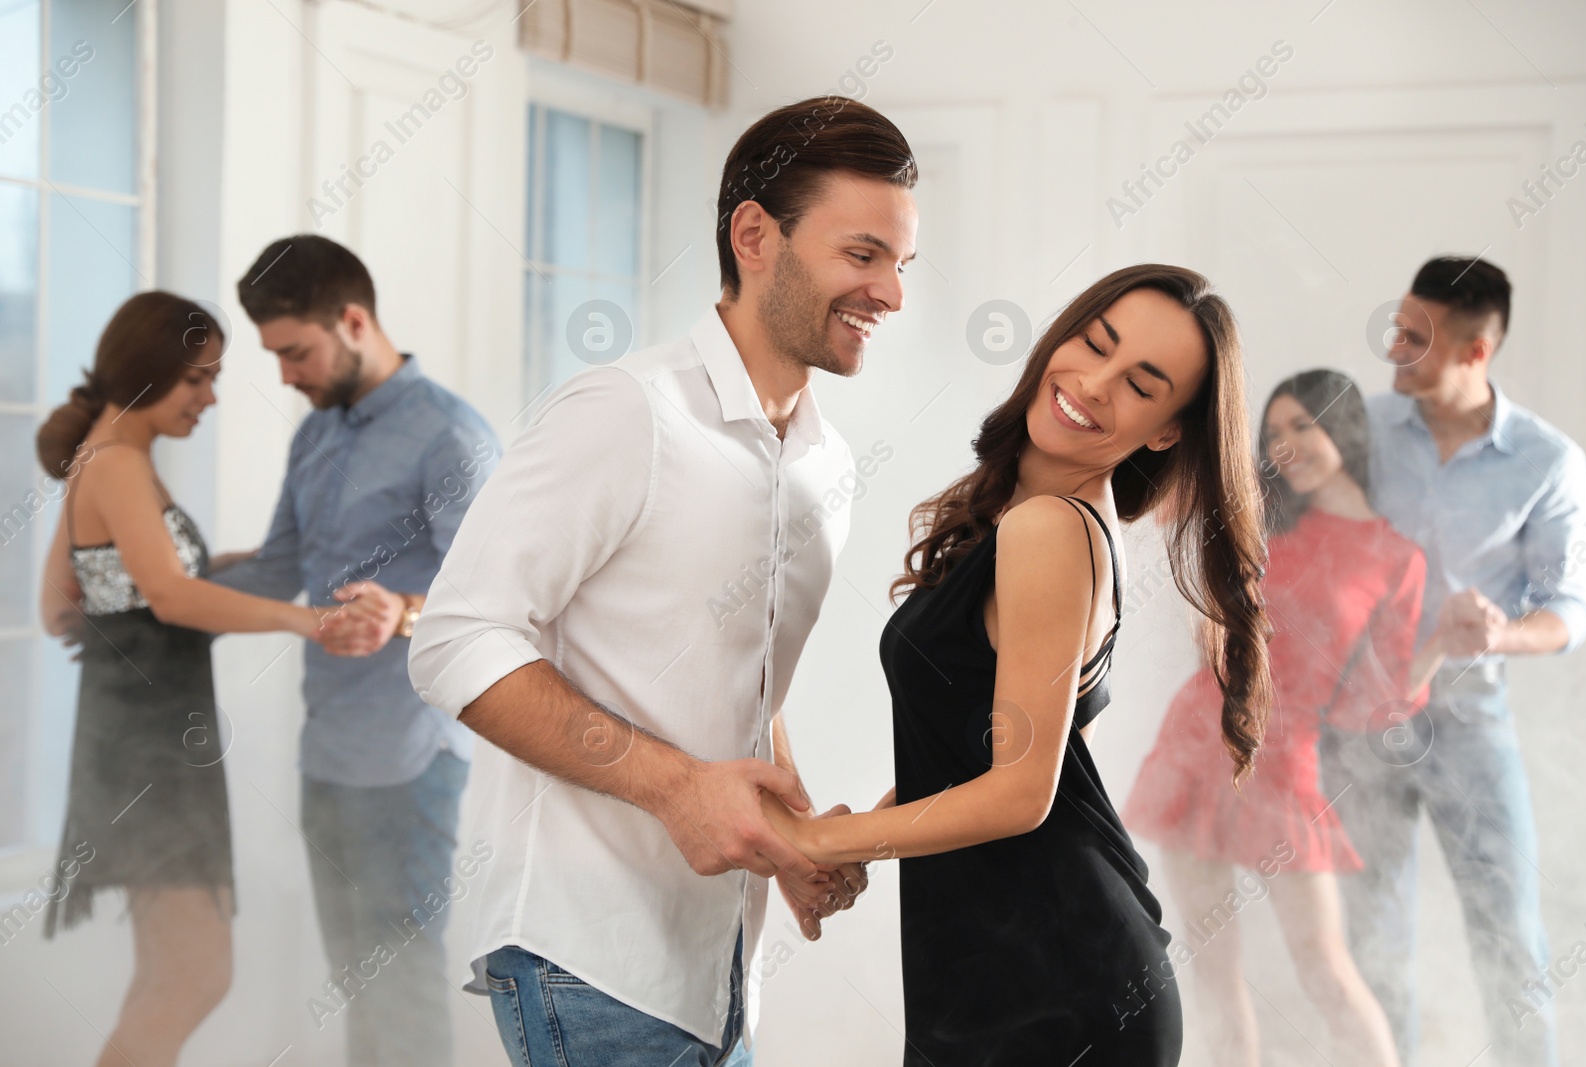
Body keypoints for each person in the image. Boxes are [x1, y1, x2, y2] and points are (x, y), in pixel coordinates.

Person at [406, 96, 917, 1066]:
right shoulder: (625, 411)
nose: (890, 292)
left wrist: (791, 834)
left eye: (901, 264)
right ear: (755, 234)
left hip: (721, 961)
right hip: (587, 957)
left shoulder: (825, 463)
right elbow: (457, 637)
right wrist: (677, 786)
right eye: (863, 255)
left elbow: (738, 687)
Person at [760, 264, 1275, 1066]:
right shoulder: (1058, 520)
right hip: (1016, 969)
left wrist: (821, 840)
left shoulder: (1050, 529)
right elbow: (1009, 751)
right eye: (1093, 343)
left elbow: (1022, 792)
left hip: (1052, 987)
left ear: (1168, 429)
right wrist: (857, 839)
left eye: (1140, 385)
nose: (1094, 384)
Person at [35, 291, 359, 1067]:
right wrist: (305, 619)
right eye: (199, 379)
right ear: (150, 371)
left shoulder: (105, 459)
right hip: (148, 759)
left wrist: (229, 567)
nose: (212, 397)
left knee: (170, 975)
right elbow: (170, 598)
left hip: (141, 748)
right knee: (196, 974)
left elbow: (62, 605)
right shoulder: (114, 464)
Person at [209, 235, 500, 1067]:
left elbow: (502, 601)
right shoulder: (317, 435)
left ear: (353, 320)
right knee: (357, 978)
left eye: (295, 352)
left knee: (399, 984)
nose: (285, 376)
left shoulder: (450, 436)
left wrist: (401, 613)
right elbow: (277, 568)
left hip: (411, 760)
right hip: (327, 754)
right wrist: (150, 589)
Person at [1122, 369, 1446, 1066]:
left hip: (1288, 756)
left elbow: (1373, 706)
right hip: (1197, 739)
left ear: (1346, 429)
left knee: (1324, 966)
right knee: (1211, 963)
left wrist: (1442, 647)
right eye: (1275, 433)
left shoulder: (1396, 557)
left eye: (1304, 425)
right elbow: (1162, 506)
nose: (1287, 443)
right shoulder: (1254, 516)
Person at [1320, 257, 1586, 1067]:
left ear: (1476, 352)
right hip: (1357, 728)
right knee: (1371, 943)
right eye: (1397, 326)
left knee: (1511, 933)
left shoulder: (1548, 462)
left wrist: (1499, 634)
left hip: (1471, 727)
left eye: (1415, 337)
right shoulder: (1357, 434)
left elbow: (1573, 608)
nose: (1393, 346)